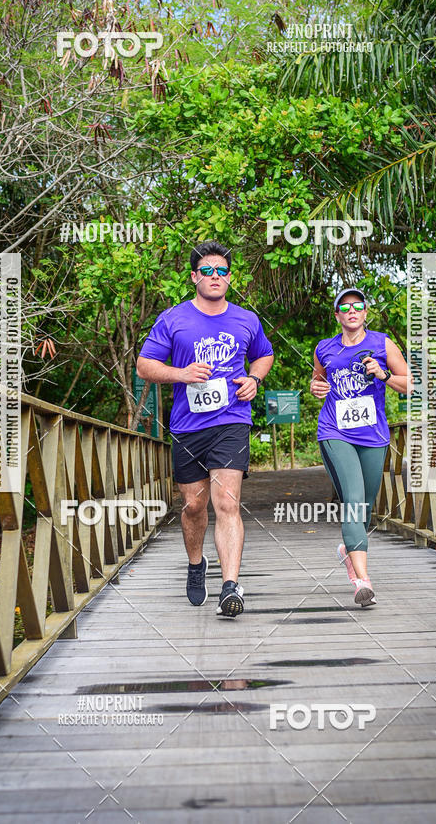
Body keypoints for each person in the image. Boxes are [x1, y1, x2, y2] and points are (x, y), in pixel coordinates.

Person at [136, 240, 274, 617]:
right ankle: (197, 565)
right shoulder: (173, 319)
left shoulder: (246, 319)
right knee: (194, 505)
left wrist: (255, 380)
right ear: (195, 276)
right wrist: (180, 373)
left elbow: (264, 354)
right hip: (187, 425)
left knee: (226, 503)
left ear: (230, 278)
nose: (216, 276)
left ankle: (231, 586)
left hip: (232, 421)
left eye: (222, 271)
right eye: (208, 271)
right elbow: (144, 366)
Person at [310, 288, 413, 606]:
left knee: (365, 506)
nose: (352, 310)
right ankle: (362, 581)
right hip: (335, 432)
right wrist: (316, 387)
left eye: (358, 306)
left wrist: (382, 375)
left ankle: (347, 552)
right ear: (337, 315)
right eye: (345, 306)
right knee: (353, 500)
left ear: (366, 313)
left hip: (373, 436)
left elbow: (411, 384)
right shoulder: (324, 348)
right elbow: (317, 382)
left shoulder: (382, 344)